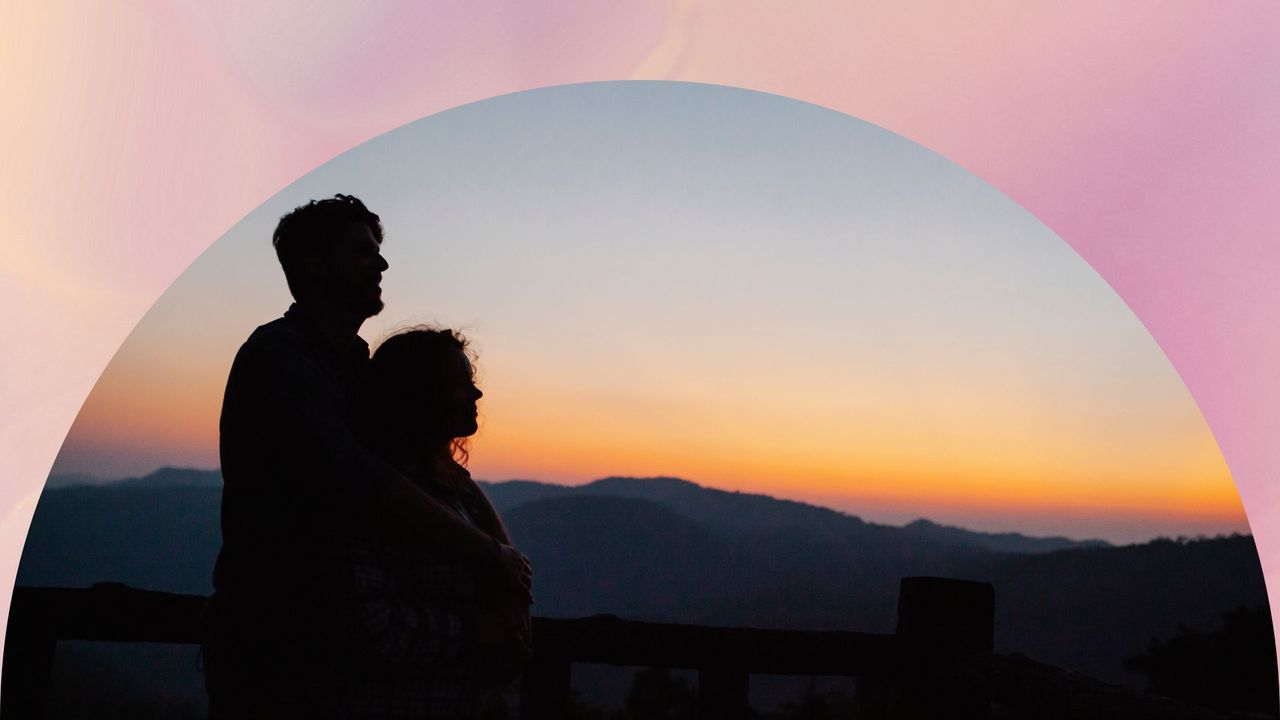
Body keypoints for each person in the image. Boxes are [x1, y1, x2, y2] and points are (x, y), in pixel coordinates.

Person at [202, 195, 531, 718]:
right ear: (314, 263)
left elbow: (447, 476)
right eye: (362, 251)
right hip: (273, 639)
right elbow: (359, 479)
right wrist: (489, 557)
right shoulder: (279, 357)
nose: (381, 264)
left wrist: (505, 566)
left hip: (328, 641)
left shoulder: (355, 366)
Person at [326, 326, 530, 719]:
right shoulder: (376, 498)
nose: (476, 394)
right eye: (458, 384)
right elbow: (371, 628)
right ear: (414, 396)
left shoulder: (455, 494)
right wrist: (474, 632)